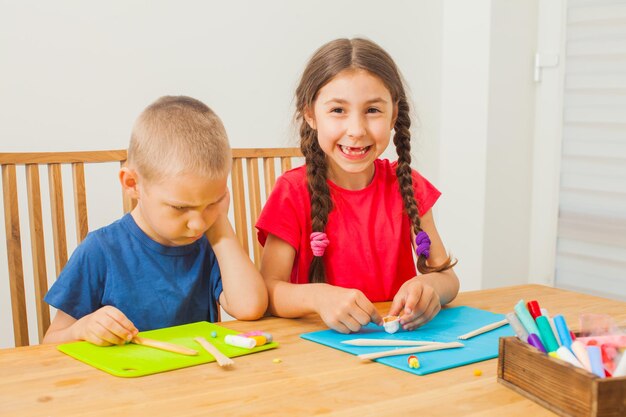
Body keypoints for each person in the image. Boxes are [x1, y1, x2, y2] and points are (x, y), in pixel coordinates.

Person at [256, 38, 458, 334]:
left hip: (398, 350)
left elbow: (448, 279)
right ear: (311, 114)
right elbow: (268, 292)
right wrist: (318, 297)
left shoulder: (408, 187)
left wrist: (430, 287)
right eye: (338, 110)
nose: (356, 130)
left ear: (393, 115)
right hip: (316, 354)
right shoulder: (293, 192)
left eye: (372, 110)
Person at [43, 96, 268, 345]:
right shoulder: (100, 250)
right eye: (181, 207)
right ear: (132, 184)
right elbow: (50, 342)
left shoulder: (209, 241)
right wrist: (82, 330)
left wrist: (220, 226)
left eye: (213, 202)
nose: (197, 223)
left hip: (196, 377)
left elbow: (251, 307)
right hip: (124, 381)